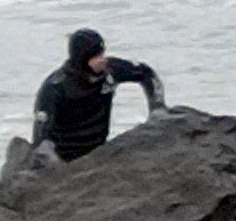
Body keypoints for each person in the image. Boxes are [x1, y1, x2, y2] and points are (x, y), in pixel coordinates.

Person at [29, 28, 164, 163]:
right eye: (95, 57)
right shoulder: (56, 87)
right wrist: (49, 158)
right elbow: (41, 135)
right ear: (82, 59)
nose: (102, 60)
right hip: (66, 155)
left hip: (99, 150)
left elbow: (147, 74)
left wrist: (157, 107)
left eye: (102, 54)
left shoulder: (110, 72)